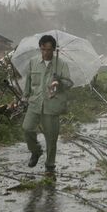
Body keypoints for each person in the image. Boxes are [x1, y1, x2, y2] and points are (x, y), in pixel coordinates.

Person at [22, 35, 73, 175]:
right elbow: (28, 82)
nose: (45, 53)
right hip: (35, 103)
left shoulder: (61, 64)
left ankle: (50, 165)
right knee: (27, 128)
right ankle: (36, 151)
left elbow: (69, 83)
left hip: (52, 104)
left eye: (49, 50)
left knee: (51, 137)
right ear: (40, 48)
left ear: (54, 49)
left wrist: (59, 82)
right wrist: (24, 97)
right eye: (43, 49)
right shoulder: (33, 62)